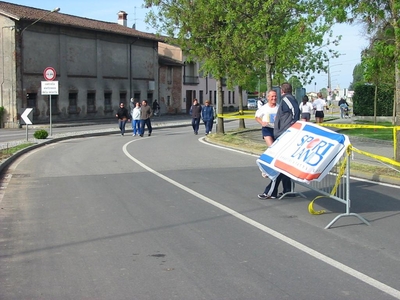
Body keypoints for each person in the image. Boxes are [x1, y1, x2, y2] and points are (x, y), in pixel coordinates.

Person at [258, 82, 300, 199]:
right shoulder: (286, 100)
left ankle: (271, 192)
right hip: (282, 134)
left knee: (279, 165)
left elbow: (295, 111)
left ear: (282, 91)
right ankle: (288, 189)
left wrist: (292, 126)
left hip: (285, 136)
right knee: (284, 165)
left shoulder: (287, 99)